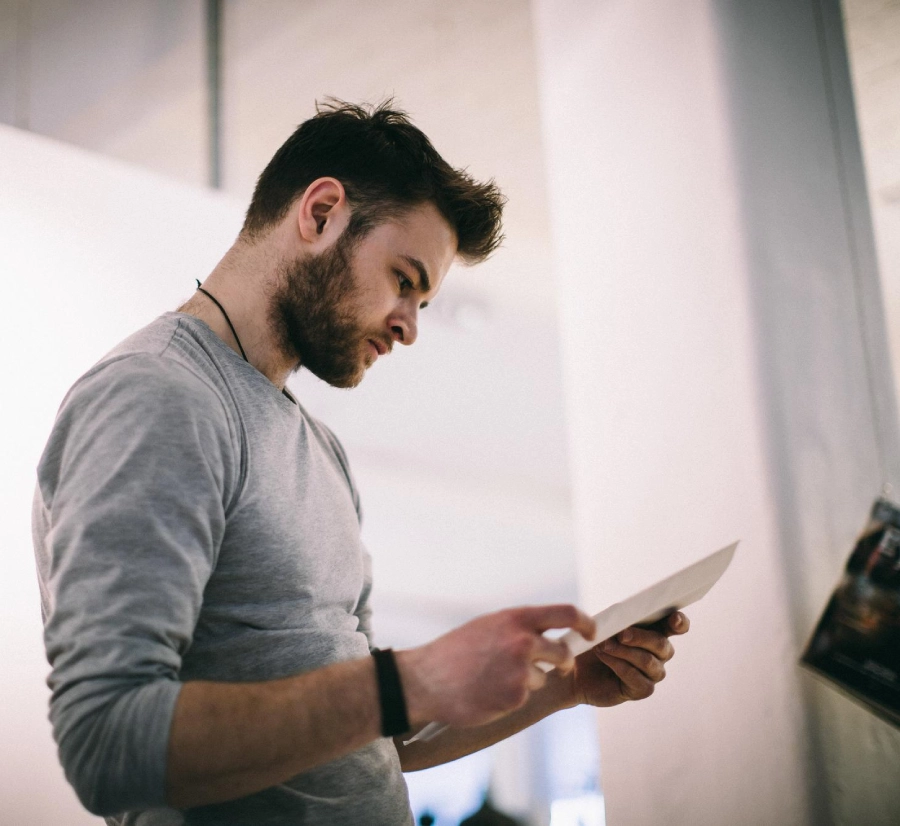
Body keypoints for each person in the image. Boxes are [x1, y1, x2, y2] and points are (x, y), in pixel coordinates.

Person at [32, 100, 689, 826]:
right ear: (319, 214)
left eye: (424, 301)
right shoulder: (159, 397)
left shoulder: (320, 450)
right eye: (404, 279)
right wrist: (408, 679)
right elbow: (107, 743)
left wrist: (563, 685)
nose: (410, 326)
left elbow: (376, 735)